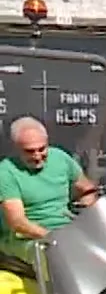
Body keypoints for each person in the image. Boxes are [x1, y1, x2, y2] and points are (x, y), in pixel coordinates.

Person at [0, 116, 98, 271]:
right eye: (29, 151)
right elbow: (18, 223)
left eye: (42, 149)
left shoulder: (61, 158)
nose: (37, 156)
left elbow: (87, 189)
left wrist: (88, 209)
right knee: (62, 256)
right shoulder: (6, 172)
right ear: (16, 149)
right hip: (28, 240)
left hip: (69, 233)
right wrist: (54, 237)